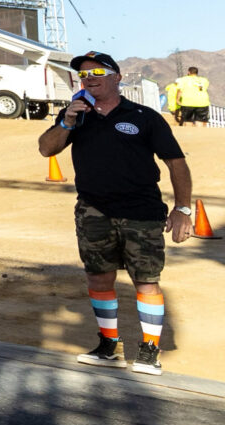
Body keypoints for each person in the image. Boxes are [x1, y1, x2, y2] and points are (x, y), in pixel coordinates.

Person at [41, 50, 194, 375]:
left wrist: (182, 209)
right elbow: (46, 148)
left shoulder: (144, 116)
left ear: (117, 77)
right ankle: (108, 345)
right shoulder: (75, 116)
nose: (90, 78)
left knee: (146, 281)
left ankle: (150, 350)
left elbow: (176, 163)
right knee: (98, 277)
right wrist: (67, 121)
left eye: (97, 71)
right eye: (84, 74)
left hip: (142, 213)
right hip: (93, 212)